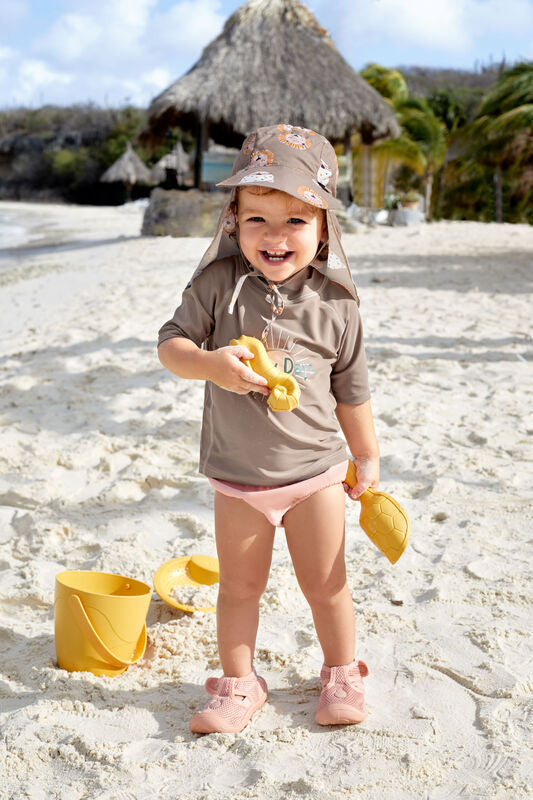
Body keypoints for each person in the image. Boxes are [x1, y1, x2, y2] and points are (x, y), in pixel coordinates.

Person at [157, 124, 380, 734]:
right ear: (233, 220)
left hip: (316, 474)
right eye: (257, 220)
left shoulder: (338, 305)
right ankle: (239, 683)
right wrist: (209, 366)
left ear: (324, 229)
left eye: (295, 222)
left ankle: (340, 673)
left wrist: (368, 456)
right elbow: (170, 347)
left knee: (327, 583)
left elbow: (351, 391)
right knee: (239, 588)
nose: (274, 237)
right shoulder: (218, 286)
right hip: (238, 478)